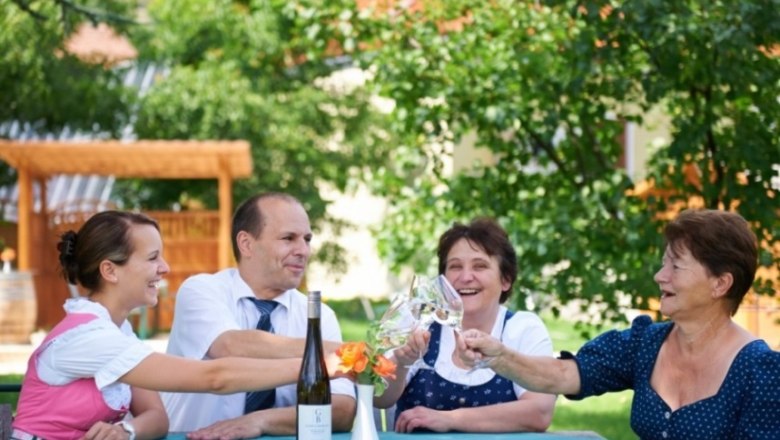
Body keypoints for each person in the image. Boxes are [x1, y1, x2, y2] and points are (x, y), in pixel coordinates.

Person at [11, 210, 347, 440]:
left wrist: (126, 430)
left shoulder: (119, 332)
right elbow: (214, 377)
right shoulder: (88, 338)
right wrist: (324, 363)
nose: (165, 268)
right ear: (110, 271)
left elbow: (158, 418)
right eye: (152, 258)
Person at [459, 209, 780, 439]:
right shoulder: (645, 343)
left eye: (676, 266)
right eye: (664, 263)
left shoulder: (760, 372)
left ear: (720, 284)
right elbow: (564, 374)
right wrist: (498, 356)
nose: (660, 276)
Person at [162, 192, 356, 438]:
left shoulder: (320, 316)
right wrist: (329, 352)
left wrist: (260, 421)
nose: (303, 250)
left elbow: (342, 410)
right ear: (246, 244)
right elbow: (230, 346)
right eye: (288, 238)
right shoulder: (201, 289)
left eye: (307, 239)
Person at [374, 218, 557, 433]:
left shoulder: (523, 329)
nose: (466, 277)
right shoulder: (419, 321)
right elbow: (379, 399)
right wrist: (401, 362)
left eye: (480, 266)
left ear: (506, 279)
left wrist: (450, 419)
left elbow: (538, 412)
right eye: (455, 266)